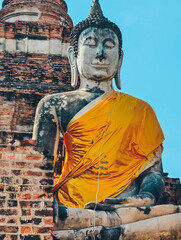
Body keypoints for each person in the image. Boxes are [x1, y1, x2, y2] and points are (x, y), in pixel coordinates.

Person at [33, 0, 165, 210]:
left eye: (109, 46)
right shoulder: (54, 105)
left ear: (120, 58)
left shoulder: (140, 109)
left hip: (126, 208)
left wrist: (146, 197)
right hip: (71, 206)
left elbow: (153, 172)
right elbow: (38, 171)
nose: (101, 53)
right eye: (91, 44)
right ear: (73, 56)